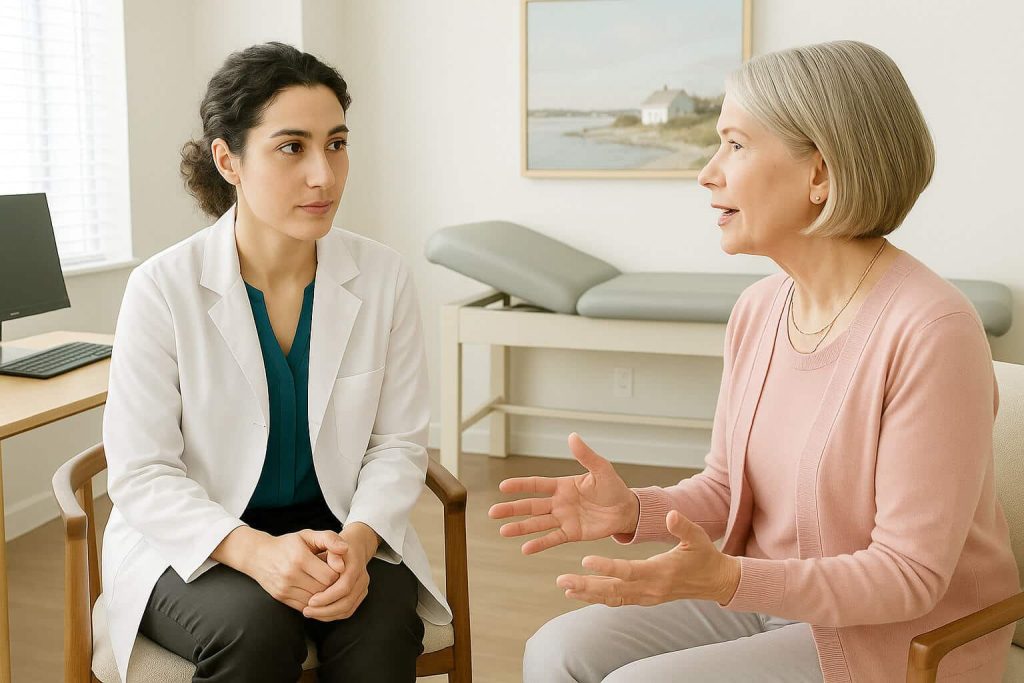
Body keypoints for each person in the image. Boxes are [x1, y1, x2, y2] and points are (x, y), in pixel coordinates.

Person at [490, 40, 1019, 682]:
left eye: (735, 145)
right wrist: (633, 509)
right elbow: (726, 488)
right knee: (556, 650)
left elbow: (909, 577)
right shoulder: (760, 308)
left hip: (895, 637)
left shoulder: (933, 330)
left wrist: (732, 577)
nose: (708, 172)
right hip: (766, 598)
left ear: (819, 173)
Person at [100, 42, 449, 682]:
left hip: (341, 531)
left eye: (337, 144)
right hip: (201, 540)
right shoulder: (163, 287)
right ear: (228, 159)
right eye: (292, 147)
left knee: (381, 629)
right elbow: (142, 471)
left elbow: (398, 444)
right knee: (255, 627)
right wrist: (255, 553)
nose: (324, 174)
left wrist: (361, 541)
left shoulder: (384, 278)